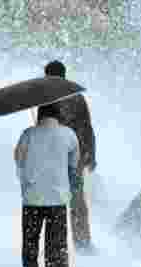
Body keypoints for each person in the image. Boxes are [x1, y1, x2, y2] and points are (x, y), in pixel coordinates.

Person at [14, 101, 79, 267]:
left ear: (40, 114)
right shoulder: (68, 134)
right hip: (57, 197)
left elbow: (18, 157)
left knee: (30, 239)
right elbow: (74, 162)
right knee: (56, 240)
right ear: (58, 115)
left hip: (32, 197)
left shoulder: (28, 134)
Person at [44, 60, 96, 254]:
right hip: (75, 155)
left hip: (55, 157)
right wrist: (91, 155)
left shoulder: (47, 99)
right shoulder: (76, 96)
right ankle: (82, 241)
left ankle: (58, 244)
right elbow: (87, 127)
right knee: (76, 200)